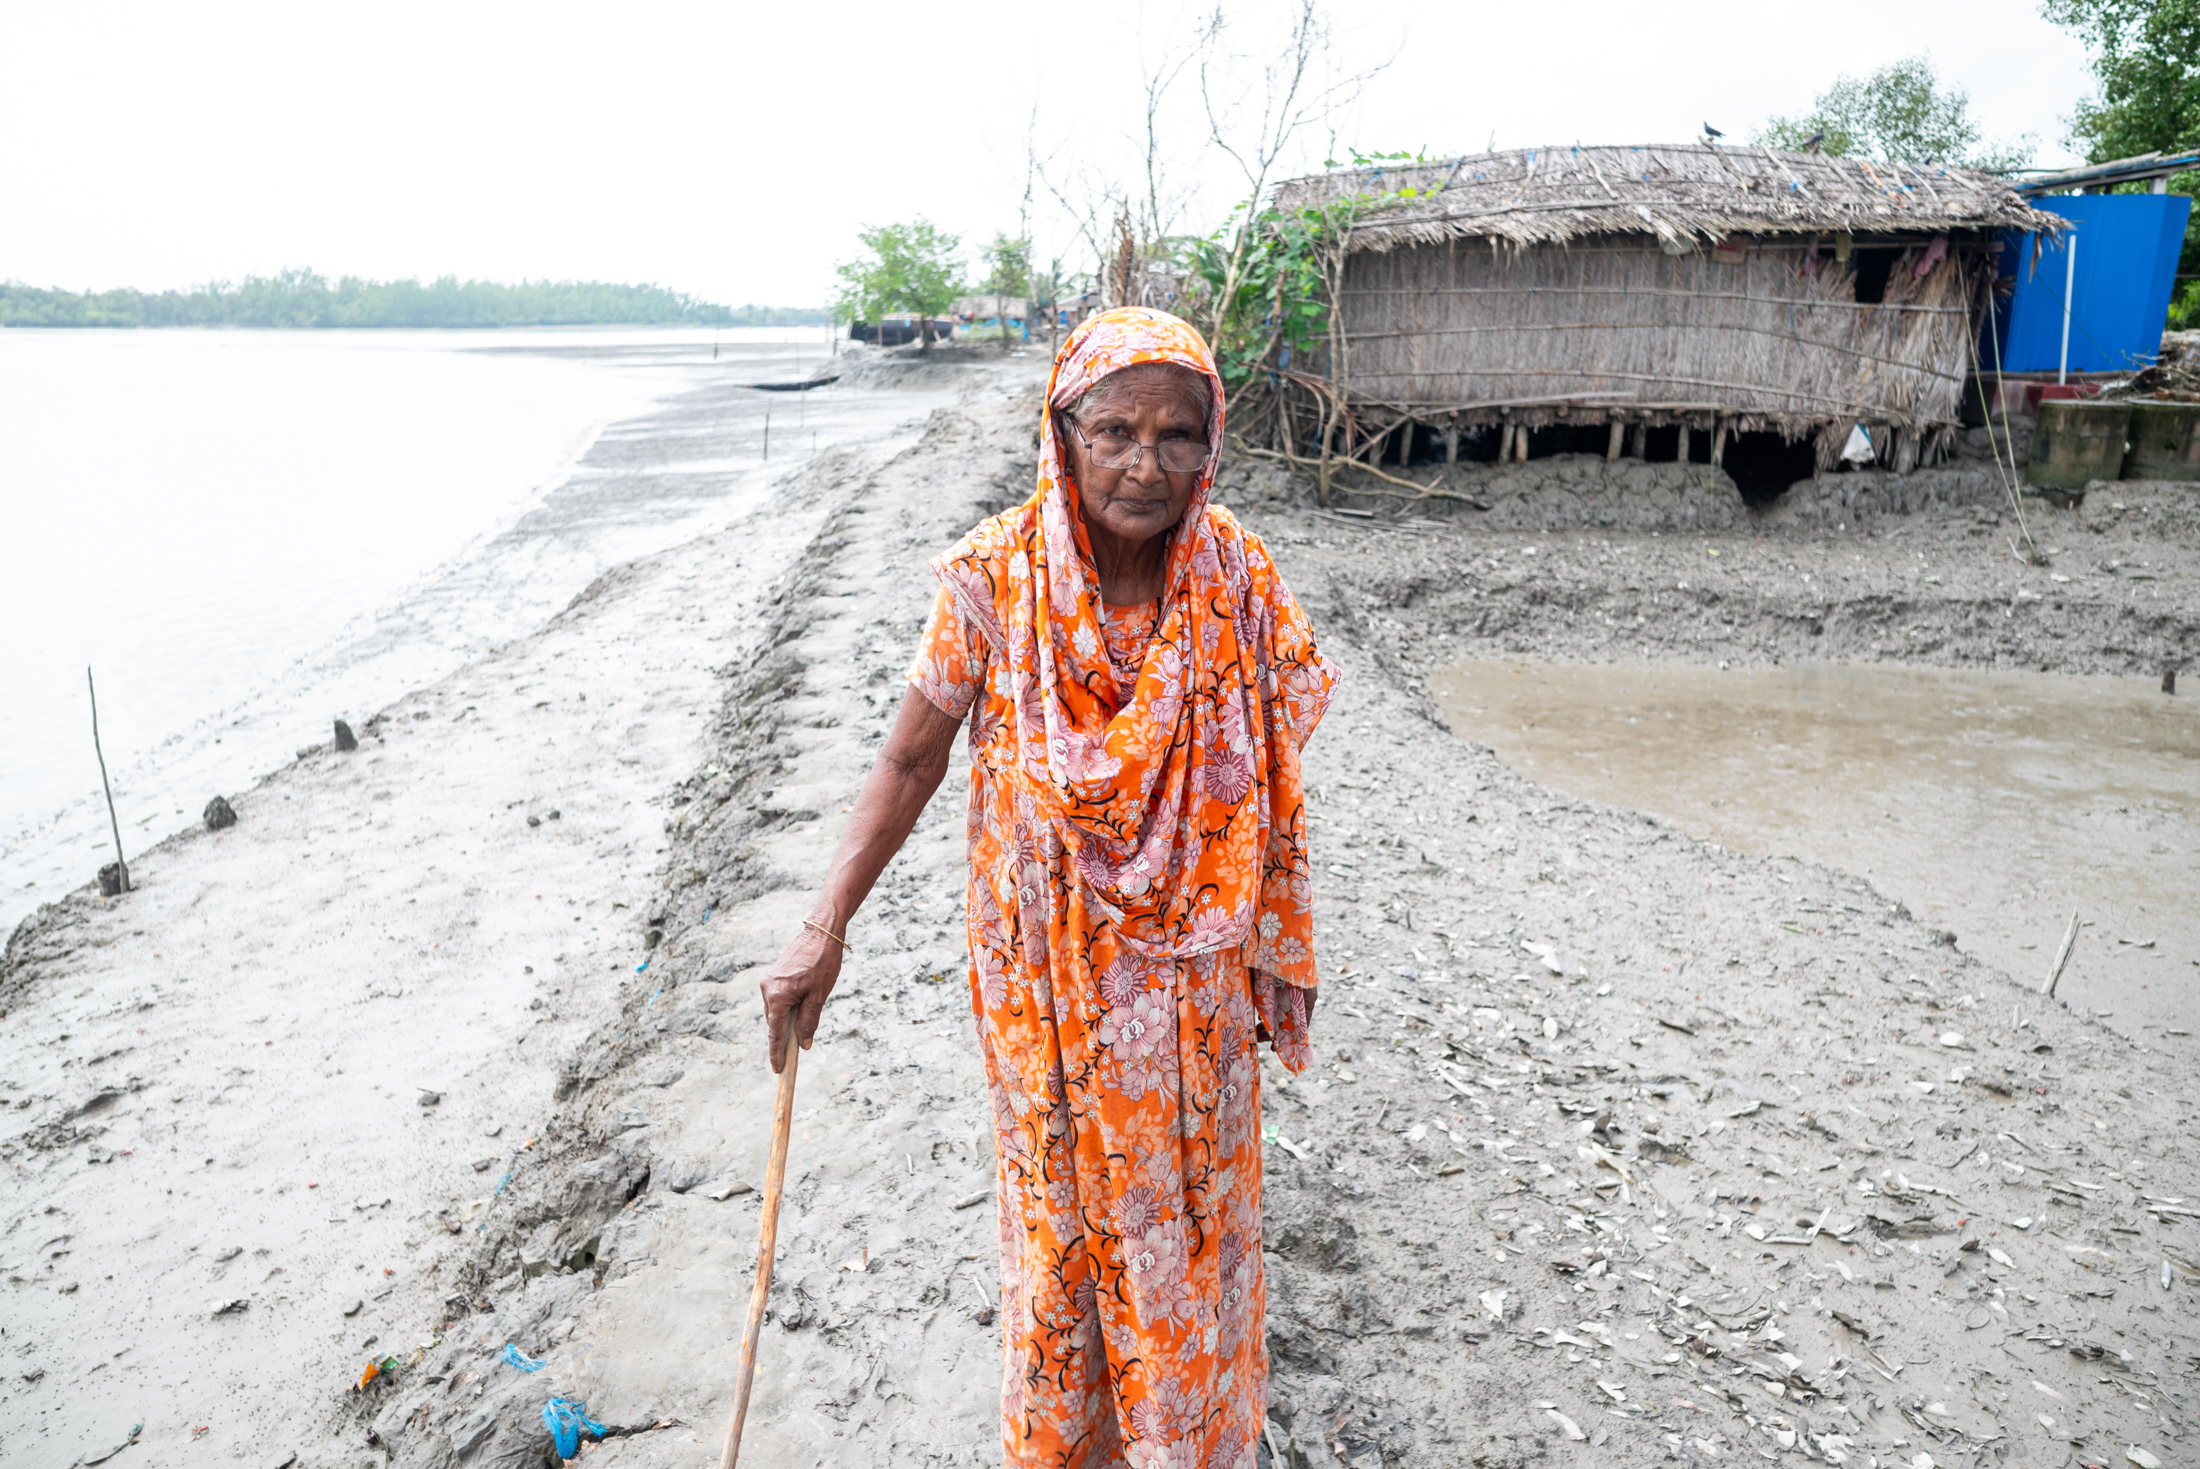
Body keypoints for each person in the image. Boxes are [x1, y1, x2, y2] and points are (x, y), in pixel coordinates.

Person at [757, 306, 1337, 1467]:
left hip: (1191, 992)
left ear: (1212, 442)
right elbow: (909, 760)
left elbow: (1270, 762)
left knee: (1186, 1232)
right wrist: (824, 926)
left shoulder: (1235, 576)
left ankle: (1186, 1442)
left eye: (1177, 434)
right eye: (1114, 430)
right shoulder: (995, 574)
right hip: (1043, 988)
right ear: (1062, 431)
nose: (1144, 464)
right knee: (1062, 1233)